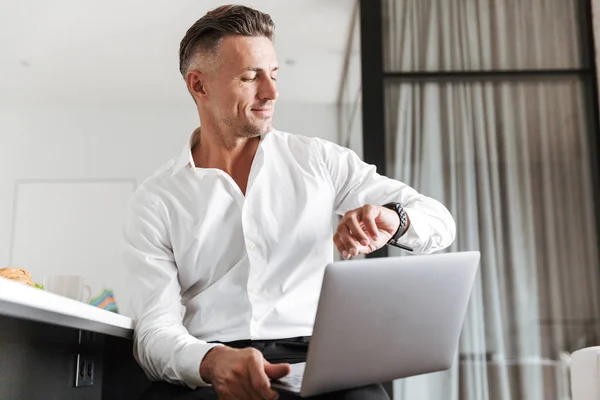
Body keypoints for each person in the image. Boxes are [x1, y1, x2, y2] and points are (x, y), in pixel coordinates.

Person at [123, 5, 456, 400]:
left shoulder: (319, 161)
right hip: (214, 364)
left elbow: (440, 223)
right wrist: (211, 362)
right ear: (199, 85)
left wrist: (393, 220)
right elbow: (154, 333)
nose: (271, 92)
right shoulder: (156, 200)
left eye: (274, 74)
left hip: (321, 362)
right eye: (251, 77)